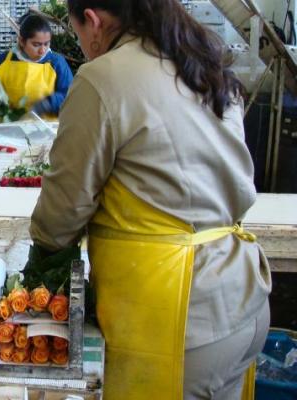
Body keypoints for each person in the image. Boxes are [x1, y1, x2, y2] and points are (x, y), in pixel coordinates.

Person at [24, 1, 271, 399]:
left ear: (92, 20)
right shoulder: (197, 60)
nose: (85, 47)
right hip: (242, 300)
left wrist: (43, 259)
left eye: (79, 35)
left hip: (178, 317)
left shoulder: (104, 77)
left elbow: (66, 204)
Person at [0, 14, 73, 117]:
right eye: (36, 45)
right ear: (22, 41)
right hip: (10, 127)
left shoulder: (57, 63)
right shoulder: (3, 60)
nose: (42, 50)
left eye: (46, 44)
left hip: (47, 127)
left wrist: (48, 103)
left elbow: (71, 95)